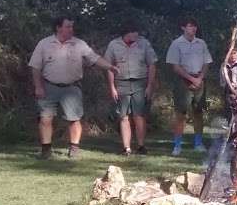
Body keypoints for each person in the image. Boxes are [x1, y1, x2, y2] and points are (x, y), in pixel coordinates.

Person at [28, 16, 118, 160]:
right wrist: (38, 87)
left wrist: (110, 67)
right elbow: (35, 67)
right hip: (49, 86)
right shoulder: (44, 44)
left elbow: (94, 58)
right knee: (45, 118)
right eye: (68, 26)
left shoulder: (79, 44)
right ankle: (46, 150)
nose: (71, 29)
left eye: (72, 27)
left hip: (72, 88)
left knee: (74, 119)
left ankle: (74, 149)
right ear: (58, 28)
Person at [104, 22, 157, 156]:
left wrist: (150, 85)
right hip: (121, 83)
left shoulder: (144, 44)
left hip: (140, 82)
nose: (136, 35)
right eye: (133, 32)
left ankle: (141, 145)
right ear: (126, 33)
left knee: (139, 115)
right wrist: (112, 87)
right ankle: (126, 148)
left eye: (137, 32)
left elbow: (152, 64)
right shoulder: (114, 45)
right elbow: (109, 67)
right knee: (123, 116)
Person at [165, 17, 213, 156]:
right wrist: (191, 78)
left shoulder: (201, 43)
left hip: (199, 79)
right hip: (183, 81)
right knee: (181, 114)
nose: (193, 29)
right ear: (183, 28)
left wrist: (200, 78)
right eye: (190, 26)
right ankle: (177, 145)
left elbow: (206, 62)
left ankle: (198, 143)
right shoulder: (176, 44)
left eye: (195, 26)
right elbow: (175, 66)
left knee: (198, 112)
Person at [220, 47, 237, 119]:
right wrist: (228, 89)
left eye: (234, 53)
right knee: (229, 115)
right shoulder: (224, 66)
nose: (232, 56)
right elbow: (222, 81)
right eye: (230, 53)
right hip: (228, 93)